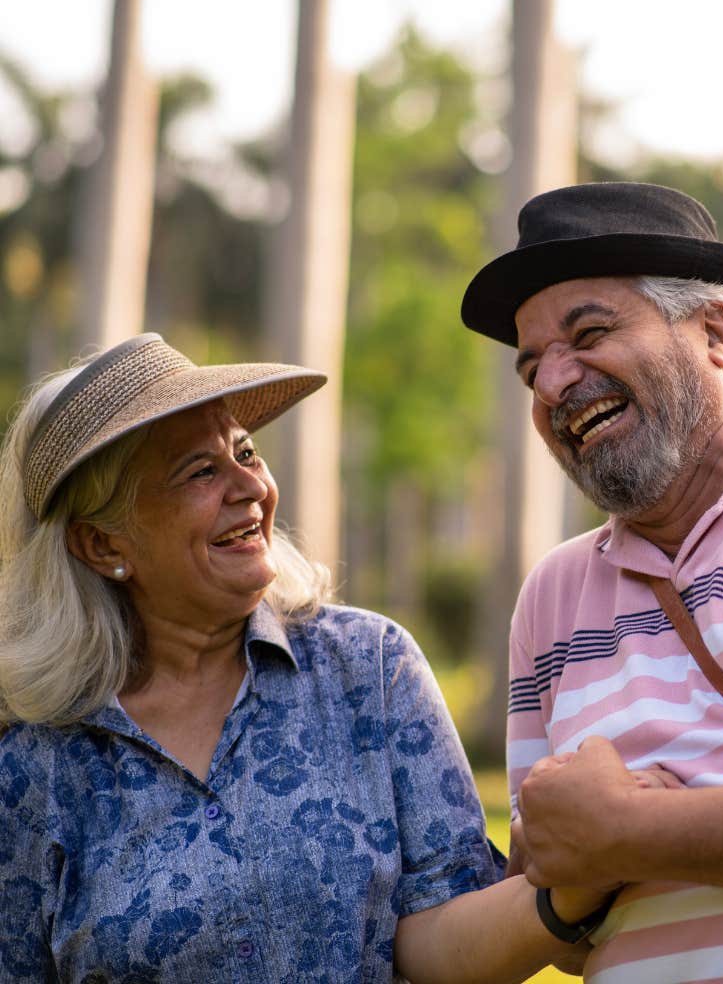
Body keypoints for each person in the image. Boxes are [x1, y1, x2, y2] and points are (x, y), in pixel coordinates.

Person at [0, 330, 637, 983]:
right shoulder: (32, 766)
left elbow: (452, 932)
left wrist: (581, 884)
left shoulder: (370, 668)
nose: (250, 485)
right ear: (102, 544)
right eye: (200, 470)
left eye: (245, 452)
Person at [460, 181, 723, 983]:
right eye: (530, 365)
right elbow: (563, 915)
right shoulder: (554, 595)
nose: (551, 384)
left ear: (714, 330)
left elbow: (604, 836)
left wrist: (635, 827)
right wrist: (578, 855)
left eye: (589, 333)